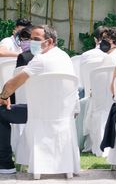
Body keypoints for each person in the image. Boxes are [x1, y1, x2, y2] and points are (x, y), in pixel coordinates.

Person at [0, 25, 76, 173]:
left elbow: (12, 83)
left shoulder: (41, 59)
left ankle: (5, 164)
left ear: (49, 41)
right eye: (30, 39)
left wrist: (3, 96)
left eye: (36, 39)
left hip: (39, 113)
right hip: (63, 114)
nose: (31, 43)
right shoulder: (65, 57)